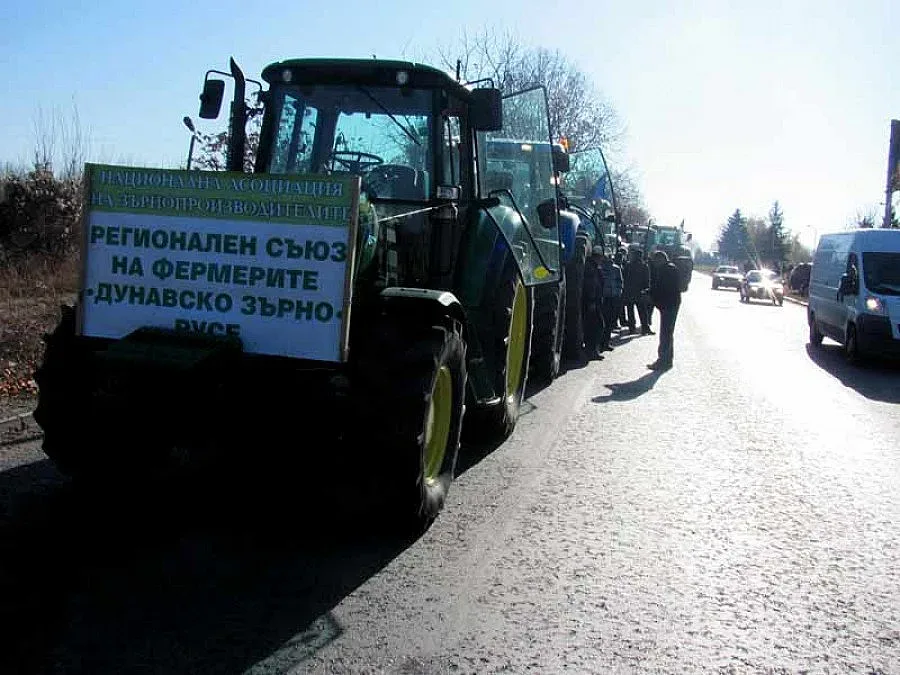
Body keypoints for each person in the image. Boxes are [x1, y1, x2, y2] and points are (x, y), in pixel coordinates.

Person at [647, 250, 682, 371]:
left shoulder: (667, 270)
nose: (655, 263)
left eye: (656, 260)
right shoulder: (670, 268)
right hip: (671, 303)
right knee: (668, 333)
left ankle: (663, 361)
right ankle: (667, 360)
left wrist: (651, 293)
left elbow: (662, 287)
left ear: (661, 259)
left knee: (665, 333)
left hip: (669, 304)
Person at [582, 246, 606, 359]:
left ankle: (592, 350)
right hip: (592, 302)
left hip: (594, 301)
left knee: (595, 326)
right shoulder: (591, 269)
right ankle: (592, 351)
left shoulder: (593, 267)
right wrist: (592, 301)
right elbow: (591, 286)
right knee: (597, 326)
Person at [599, 250, 624, 352]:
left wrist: (618, 293)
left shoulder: (616, 269)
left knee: (609, 322)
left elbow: (620, 282)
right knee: (602, 322)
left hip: (613, 298)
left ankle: (606, 343)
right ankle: (600, 343)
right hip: (603, 298)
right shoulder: (599, 268)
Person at [622, 247, 651, 334]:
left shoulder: (628, 265)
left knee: (631, 311)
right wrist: (647, 290)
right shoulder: (644, 266)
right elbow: (647, 280)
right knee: (642, 311)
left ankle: (632, 328)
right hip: (639, 292)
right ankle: (645, 328)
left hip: (630, 291)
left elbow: (624, 277)